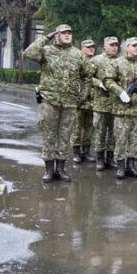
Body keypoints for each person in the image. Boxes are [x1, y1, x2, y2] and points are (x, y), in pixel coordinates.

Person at [23, 24, 88, 183]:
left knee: (65, 136)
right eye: (63, 33)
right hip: (49, 100)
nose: (67, 35)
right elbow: (28, 53)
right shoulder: (47, 51)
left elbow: (87, 75)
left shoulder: (78, 55)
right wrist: (46, 37)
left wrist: (83, 96)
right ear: (57, 35)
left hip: (70, 102)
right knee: (49, 134)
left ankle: (61, 168)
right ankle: (49, 169)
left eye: (69, 33)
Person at [104, 37, 137, 179]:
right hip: (122, 109)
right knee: (121, 138)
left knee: (135, 139)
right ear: (127, 47)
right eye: (134, 46)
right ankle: (121, 166)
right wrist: (120, 92)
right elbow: (107, 80)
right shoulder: (117, 63)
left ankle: (131, 165)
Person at [88, 36, 120, 171]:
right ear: (104, 46)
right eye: (111, 45)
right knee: (100, 131)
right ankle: (100, 158)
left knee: (113, 132)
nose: (114, 47)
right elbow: (87, 76)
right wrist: (99, 83)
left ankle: (110, 157)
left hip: (116, 103)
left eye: (116, 45)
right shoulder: (96, 60)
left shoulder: (120, 61)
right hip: (101, 103)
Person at [71, 39, 97, 164]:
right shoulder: (77, 61)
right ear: (82, 48)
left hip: (93, 101)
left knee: (89, 128)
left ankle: (86, 151)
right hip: (79, 100)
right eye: (88, 47)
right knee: (77, 128)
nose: (91, 49)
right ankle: (76, 152)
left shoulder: (96, 62)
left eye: (92, 47)